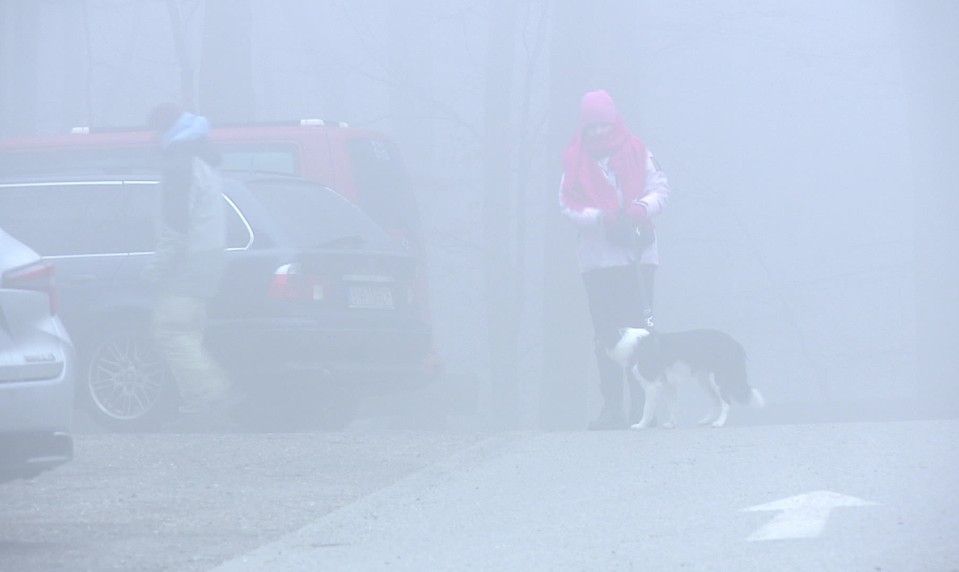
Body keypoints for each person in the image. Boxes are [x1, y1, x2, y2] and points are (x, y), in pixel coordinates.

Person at [558, 89, 671, 430]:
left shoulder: (638, 150)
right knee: (604, 335)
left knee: (640, 333)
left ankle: (642, 404)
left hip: (637, 256)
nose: (597, 133)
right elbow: (567, 204)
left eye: (603, 125)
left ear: (614, 121)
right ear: (584, 128)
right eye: (591, 128)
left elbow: (661, 187)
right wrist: (602, 217)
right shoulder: (574, 160)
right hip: (597, 261)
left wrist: (639, 210)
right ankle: (612, 405)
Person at [144, 102, 234, 430]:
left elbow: (175, 227)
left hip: (188, 261)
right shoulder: (203, 161)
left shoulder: (179, 165)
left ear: (165, 129)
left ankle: (211, 392)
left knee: (170, 330)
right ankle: (197, 410)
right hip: (210, 258)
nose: (151, 139)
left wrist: (156, 268)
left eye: (154, 131)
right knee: (190, 332)